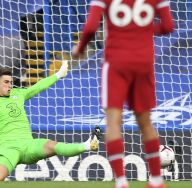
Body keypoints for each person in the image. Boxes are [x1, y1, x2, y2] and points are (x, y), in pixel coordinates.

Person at [72, 0, 174, 188]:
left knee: (113, 121)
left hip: (116, 62)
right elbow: (168, 26)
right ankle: (157, 181)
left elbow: (90, 28)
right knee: (145, 121)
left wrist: (80, 48)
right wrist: (145, 30)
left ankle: (121, 182)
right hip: (144, 62)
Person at [0, 61, 102, 181]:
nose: (10, 85)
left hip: (28, 145)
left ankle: (87, 145)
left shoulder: (19, 94)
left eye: (11, 82)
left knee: (54, 146)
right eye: (6, 82)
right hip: (9, 148)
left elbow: (38, 86)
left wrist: (58, 75)